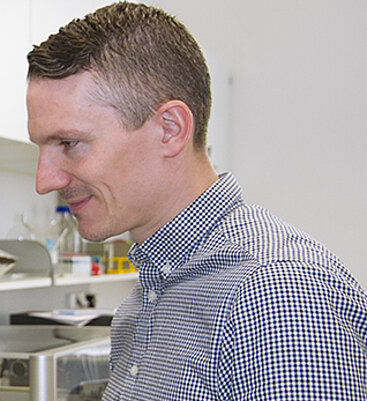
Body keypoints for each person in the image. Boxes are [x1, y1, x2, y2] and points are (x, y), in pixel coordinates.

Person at [26, 2, 367, 400]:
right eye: (41, 148)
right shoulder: (145, 300)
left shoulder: (277, 294)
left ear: (170, 129)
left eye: (69, 143)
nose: (44, 181)